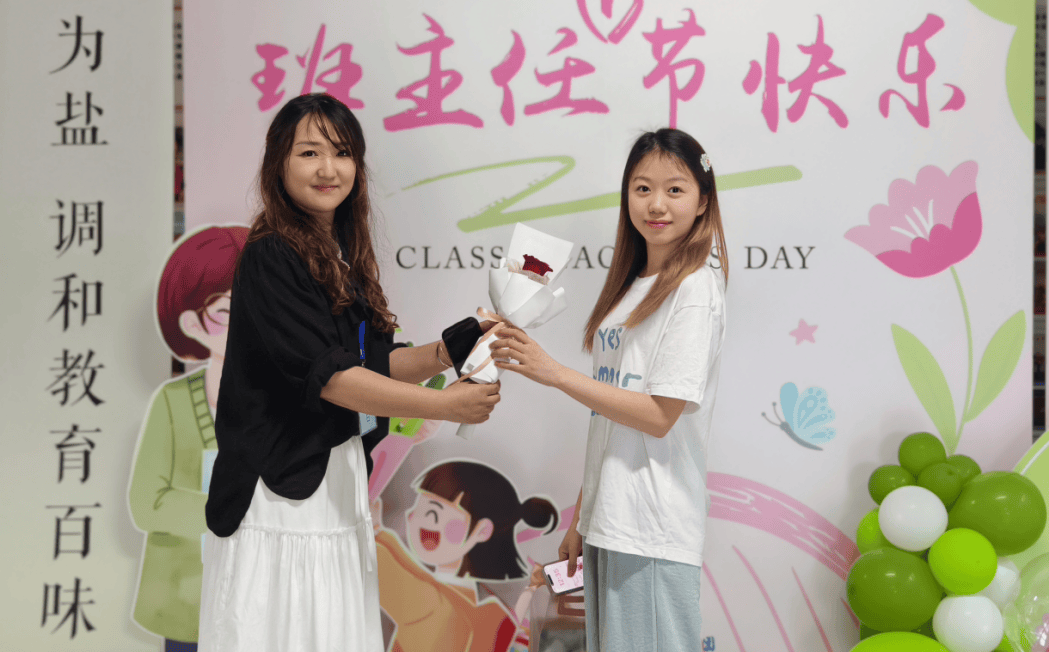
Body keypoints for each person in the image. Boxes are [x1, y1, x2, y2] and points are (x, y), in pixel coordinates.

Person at [197, 93, 501, 652]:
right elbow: (334, 380)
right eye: (309, 152)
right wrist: (445, 404)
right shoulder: (270, 255)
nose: (328, 168)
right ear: (278, 163)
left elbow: (372, 363)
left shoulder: (339, 253)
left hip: (335, 483)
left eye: (342, 153)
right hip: (278, 497)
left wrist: (450, 349)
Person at [491, 128, 728, 652]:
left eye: (675, 189)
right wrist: (584, 515)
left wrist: (553, 372)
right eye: (642, 188)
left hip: (653, 526)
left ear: (702, 201)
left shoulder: (694, 289)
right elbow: (610, 417)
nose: (656, 204)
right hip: (610, 522)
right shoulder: (631, 289)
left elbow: (659, 415)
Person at [129, 224, 247, 652]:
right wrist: (235, 513)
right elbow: (147, 502)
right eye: (229, 311)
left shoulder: (285, 400)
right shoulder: (174, 403)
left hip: (260, 598)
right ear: (191, 323)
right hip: (186, 601)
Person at [373, 459, 558, 652]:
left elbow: (399, 576)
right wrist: (378, 532)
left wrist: (375, 535)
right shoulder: (477, 610)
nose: (412, 517)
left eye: (433, 514)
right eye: (418, 509)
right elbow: (414, 574)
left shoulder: (438, 606)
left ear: (482, 530)